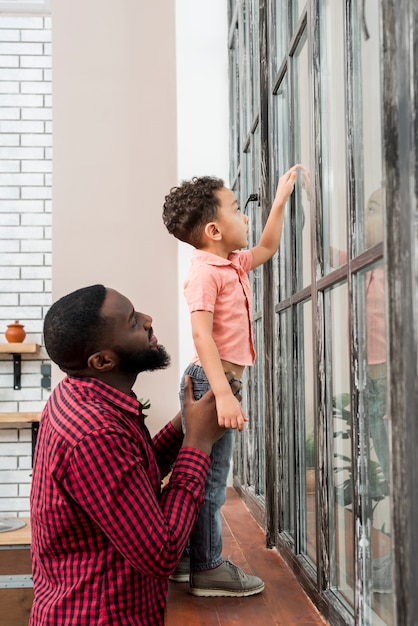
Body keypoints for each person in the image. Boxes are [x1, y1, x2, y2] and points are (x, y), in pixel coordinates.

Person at [29, 284, 242, 626]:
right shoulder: (94, 433)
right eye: (132, 322)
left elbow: (131, 478)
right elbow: (163, 553)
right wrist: (198, 444)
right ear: (102, 361)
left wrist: (185, 424)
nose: (147, 320)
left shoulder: (80, 394)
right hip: (97, 616)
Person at [162, 165, 300, 596]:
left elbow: (267, 247)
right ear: (214, 229)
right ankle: (208, 567)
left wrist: (279, 201)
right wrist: (222, 393)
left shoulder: (231, 263)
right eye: (238, 210)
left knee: (207, 477)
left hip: (219, 382)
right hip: (211, 382)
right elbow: (200, 333)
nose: (245, 218)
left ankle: (188, 558)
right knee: (211, 479)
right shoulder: (205, 272)